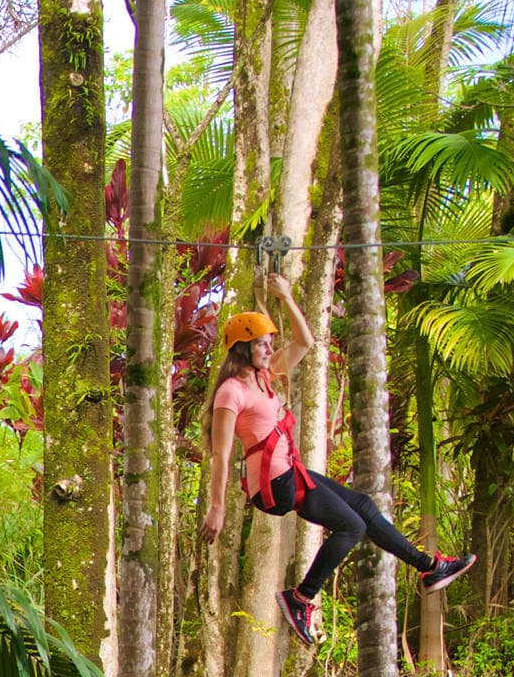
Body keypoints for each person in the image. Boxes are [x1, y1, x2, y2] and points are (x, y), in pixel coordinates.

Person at [199, 273, 475, 646]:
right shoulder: (231, 392)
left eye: (268, 343)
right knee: (352, 526)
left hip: (290, 472)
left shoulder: (265, 377)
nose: (268, 349)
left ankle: (430, 569)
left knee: (362, 506)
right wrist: (217, 506)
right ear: (242, 348)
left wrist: (285, 295)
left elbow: (305, 341)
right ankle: (301, 598)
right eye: (260, 344)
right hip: (275, 485)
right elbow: (221, 453)